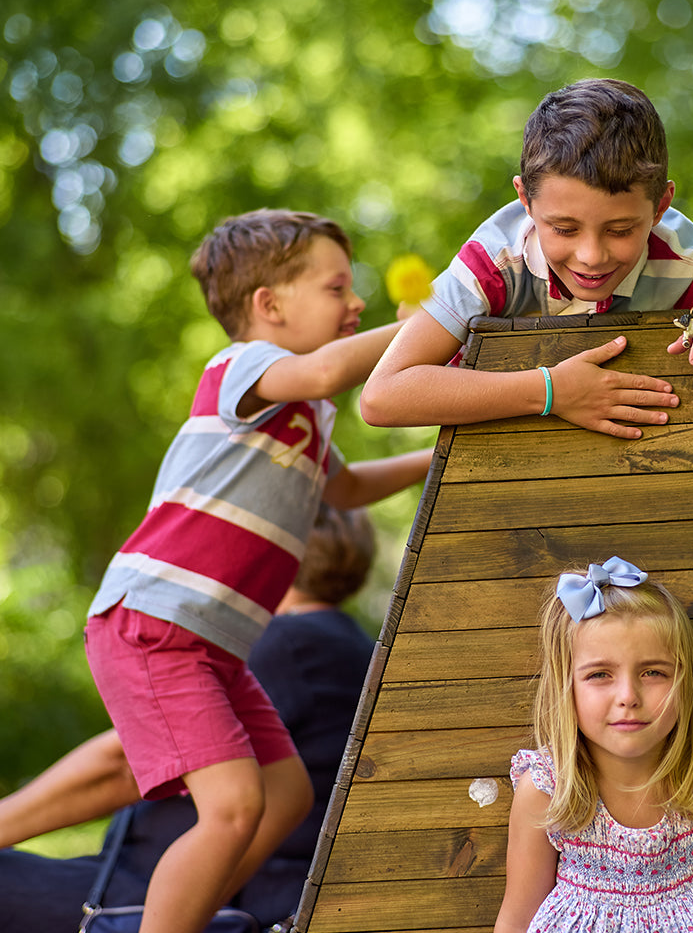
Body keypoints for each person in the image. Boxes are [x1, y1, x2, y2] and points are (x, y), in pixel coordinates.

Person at [81, 209, 432, 933]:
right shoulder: (242, 367)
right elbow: (331, 367)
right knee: (235, 805)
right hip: (155, 623)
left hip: (211, 644)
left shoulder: (306, 415)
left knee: (284, 794)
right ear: (268, 307)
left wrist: (444, 457)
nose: (356, 302)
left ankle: (180, 915)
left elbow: (347, 490)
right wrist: (442, 316)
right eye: (338, 288)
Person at [361, 78, 693, 441]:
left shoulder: (686, 261)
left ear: (661, 206)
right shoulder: (496, 260)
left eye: (621, 230)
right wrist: (553, 392)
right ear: (525, 202)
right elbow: (382, 396)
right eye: (564, 228)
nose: (592, 256)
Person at [0, 501, 379, 931]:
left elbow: (122, 765)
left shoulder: (279, 644)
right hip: (222, 889)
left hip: (163, 899)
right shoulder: (352, 645)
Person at [493, 556, 693, 933]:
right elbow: (517, 918)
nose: (628, 695)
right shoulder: (548, 788)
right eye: (600, 674)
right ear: (567, 689)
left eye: (653, 672)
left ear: (686, 681)